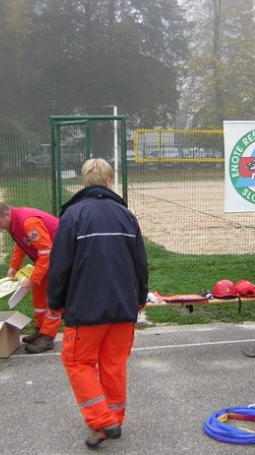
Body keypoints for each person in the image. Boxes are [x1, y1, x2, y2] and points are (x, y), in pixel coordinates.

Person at [47, 158, 149, 449]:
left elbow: (60, 266)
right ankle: (112, 419)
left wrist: (55, 302)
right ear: (109, 181)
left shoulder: (73, 216)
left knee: (77, 361)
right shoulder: (126, 215)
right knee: (113, 363)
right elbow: (140, 262)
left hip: (86, 309)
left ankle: (102, 419)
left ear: (85, 182)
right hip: (123, 306)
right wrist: (140, 296)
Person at [0, 202, 63, 354]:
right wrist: (13, 267)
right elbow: (21, 244)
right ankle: (41, 330)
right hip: (49, 258)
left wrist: (33, 279)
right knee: (39, 295)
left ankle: (48, 337)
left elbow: (46, 251)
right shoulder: (14, 223)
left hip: (61, 259)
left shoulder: (28, 221)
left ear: (7, 214)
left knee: (53, 298)